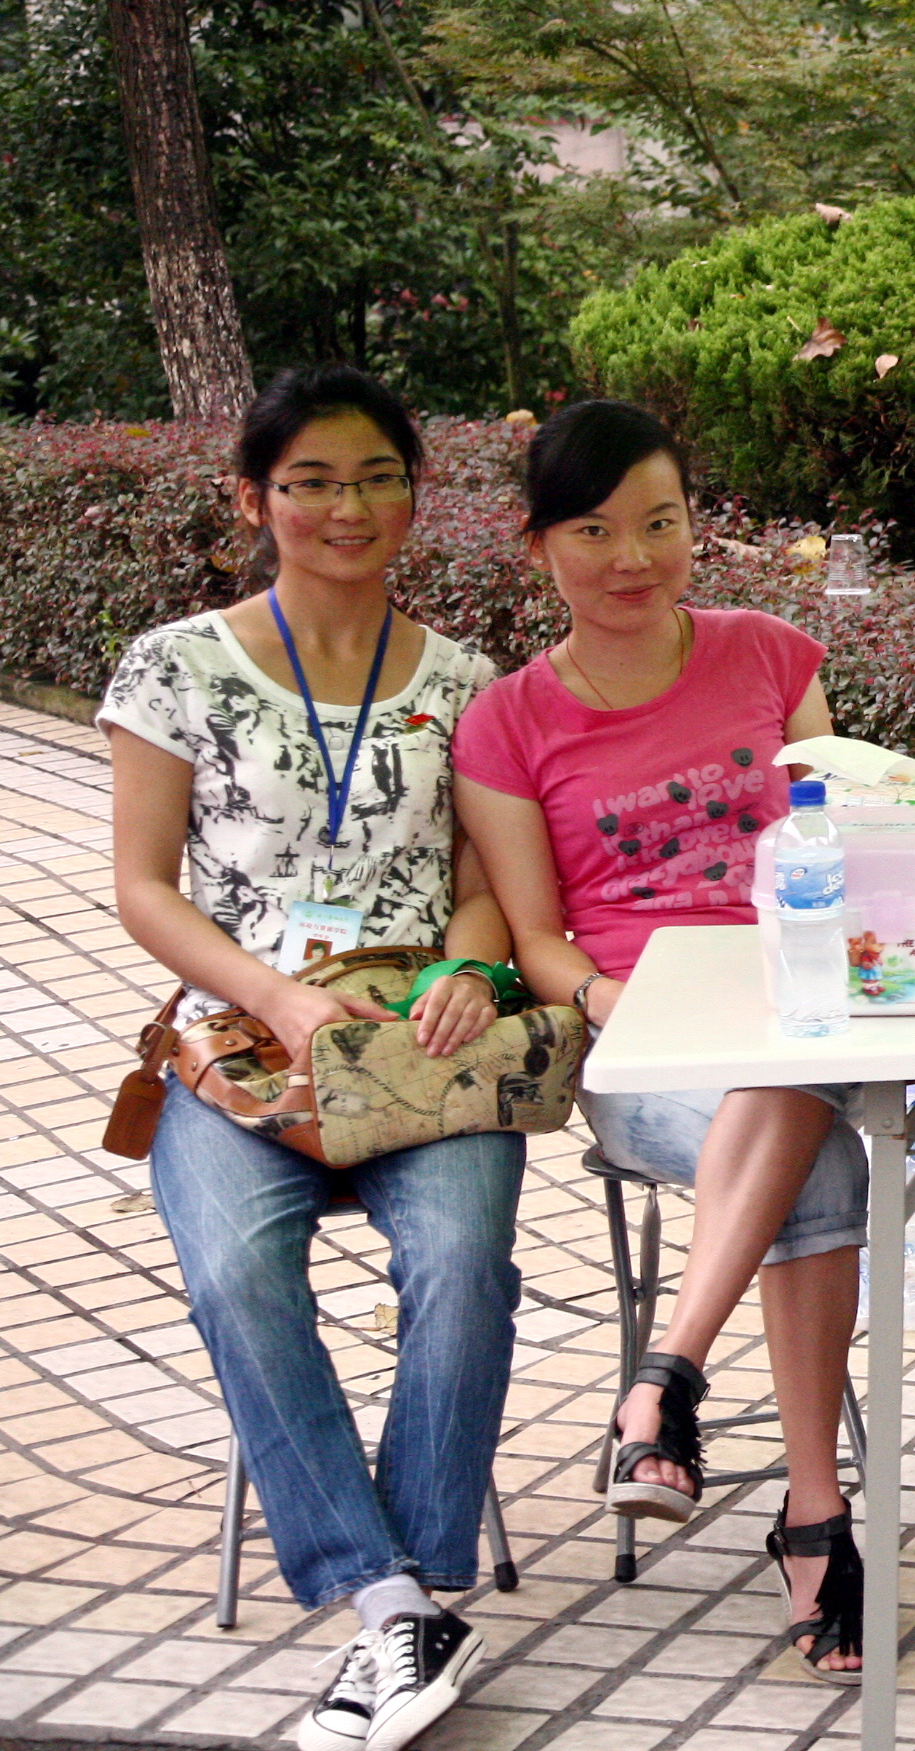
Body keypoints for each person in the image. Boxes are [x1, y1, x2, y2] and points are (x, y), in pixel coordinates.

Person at [104, 367, 515, 1751]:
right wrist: (277, 999)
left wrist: (465, 972)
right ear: (254, 500)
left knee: (464, 1259)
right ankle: (394, 1597)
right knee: (235, 1270)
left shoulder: (469, 683)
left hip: (416, 1047)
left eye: (378, 478)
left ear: (416, 492)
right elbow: (143, 888)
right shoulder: (175, 666)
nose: (350, 507)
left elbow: (482, 883)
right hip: (238, 1047)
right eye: (313, 483)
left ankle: (407, 1600)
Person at [453, 401, 867, 1682]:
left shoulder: (772, 657)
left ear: (695, 526)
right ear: (538, 545)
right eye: (593, 530)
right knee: (823, 1154)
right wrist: (610, 1004)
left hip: (794, 1007)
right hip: (643, 1039)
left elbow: (842, 838)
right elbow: (535, 936)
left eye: (659, 523)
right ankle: (812, 1517)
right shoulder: (508, 721)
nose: (631, 558)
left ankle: (666, 1386)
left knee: (797, 1078)